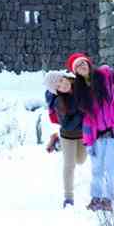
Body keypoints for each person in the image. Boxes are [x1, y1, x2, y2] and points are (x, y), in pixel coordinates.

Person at [65, 52, 114, 212]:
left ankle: (107, 200)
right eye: (77, 67)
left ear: (88, 63)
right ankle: (96, 198)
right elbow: (87, 119)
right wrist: (88, 141)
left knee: (111, 166)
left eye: (82, 63)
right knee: (97, 168)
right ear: (75, 72)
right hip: (97, 133)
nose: (81, 67)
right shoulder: (80, 90)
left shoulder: (107, 74)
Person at [44, 70, 87, 208]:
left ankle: (57, 143)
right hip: (68, 135)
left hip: (82, 134)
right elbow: (67, 125)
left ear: (65, 77)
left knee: (80, 160)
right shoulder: (59, 101)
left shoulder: (80, 87)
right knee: (69, 165)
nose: (62, 85)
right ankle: (68, 198)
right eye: (58, 86)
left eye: (61, 80)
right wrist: (81, 112)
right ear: (56, 91)